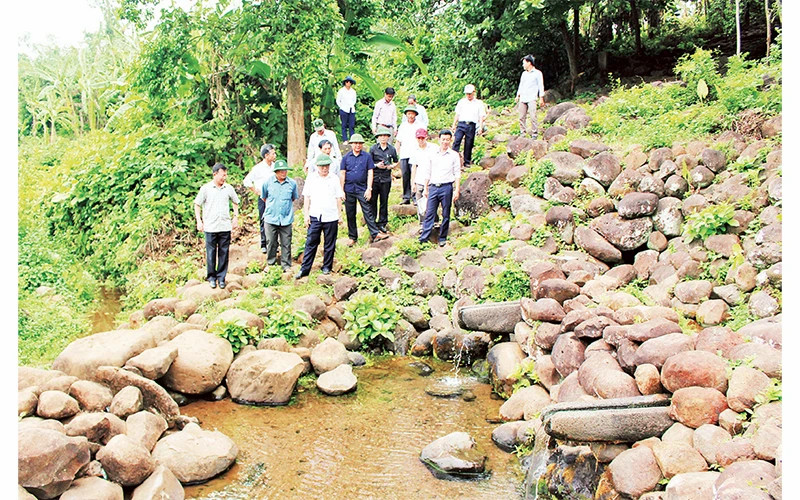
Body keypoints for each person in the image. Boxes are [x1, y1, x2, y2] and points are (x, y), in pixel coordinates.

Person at [296, 154, 344, 279]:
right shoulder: (311, 178)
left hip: (331, 215)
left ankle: (327, 266)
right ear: (317, 166)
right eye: (322, 166)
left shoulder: (333, 178)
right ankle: (304, 269)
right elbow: (307, 197)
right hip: (315, 215)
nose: (324, 169)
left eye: (327, 166)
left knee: (330, 243)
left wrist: (339, 214)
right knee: (311, 243)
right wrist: (306, 214)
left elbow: (338, 197)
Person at [194, 163, 240, 289]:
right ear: (215, 174)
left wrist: (235, 217)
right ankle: (211, 277)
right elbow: (197, 204)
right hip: (210, 226)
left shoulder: (228, 188)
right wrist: (199, 221)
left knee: (224, 253)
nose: (224, 178)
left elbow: (236, 202)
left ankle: (221, 278)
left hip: (225, 226)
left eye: (225, 175)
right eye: (222, 175)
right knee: (211, 253)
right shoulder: (206, 188)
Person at [339, 133, 390, 246]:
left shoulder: (366, 156)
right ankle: (352, 237)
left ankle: (375, 233)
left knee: (368, 210)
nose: (357, 145)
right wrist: (341, 190)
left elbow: (370, 172)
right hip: (349, 188)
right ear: (351, 144)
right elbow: (342, 173)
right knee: (350, 213)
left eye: (359, 143)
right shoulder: (346, 157)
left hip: (362, 188)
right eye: (355, 143)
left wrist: (369, 188)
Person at [419, 130, 460, 247]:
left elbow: (457, 173)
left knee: (446, 213)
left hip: (446, 187)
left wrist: (456, 189)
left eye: (447, 139)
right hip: (433, 186)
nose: (445, 142)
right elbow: (427, 172)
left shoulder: (454, 155)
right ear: (439, 139)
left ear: (450, 140)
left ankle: (442, 237)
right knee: (430, 212)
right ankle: (424, 238)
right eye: (443, 139)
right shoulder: (432, 154)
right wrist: (426, 188)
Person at [260, 160, 299, 272]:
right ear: (276, 171)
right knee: (271, 242)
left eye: (285, 170)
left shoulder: (292, 183)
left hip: (286, 218)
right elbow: (264, 197)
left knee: (286, 242)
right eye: (281, 171)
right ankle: (271, 264)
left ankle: (286, 265)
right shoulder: (267, 183)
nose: (283, 173)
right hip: (271, 217)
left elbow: (293, 198)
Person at [243, 143, 277, 253]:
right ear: (266, 155)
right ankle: (264, 243)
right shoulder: (258, 168)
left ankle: (274, 244)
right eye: (273, 153)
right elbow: (246, 181)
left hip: (275, 197)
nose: (275, 155)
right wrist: (255, 190)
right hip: (263, 197)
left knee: (276, 219)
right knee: (263, 219)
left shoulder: (275, 166)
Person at [368, 126, 398, 233]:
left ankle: (382, 223)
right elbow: (369, 163)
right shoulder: (373, 149)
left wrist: (391, 166)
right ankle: (372, 223)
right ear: (378, 137)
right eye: (381, 136)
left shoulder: (392, 149)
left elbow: (395, 161)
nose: (383, 138)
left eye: (385, 136)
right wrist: (377, 165)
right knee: (373, 201)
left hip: (386, 178)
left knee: (384, 201)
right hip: (375, 178)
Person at [451, 84, 487, 167]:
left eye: (470, 94)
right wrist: (454, 124)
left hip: (471, 124)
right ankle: (453, 159)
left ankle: (467, 161)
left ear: (474, 92)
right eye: (467, 94)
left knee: (469, 143)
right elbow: (457, 114)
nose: (469, 96)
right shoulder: (462, 102)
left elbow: (481, 115)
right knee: (457, 140)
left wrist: (480, 127)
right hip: (461, 123)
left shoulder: (479, 103)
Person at [410, 128, 438, 226]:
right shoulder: (414, 150)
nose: (421, 140)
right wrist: (412, 183)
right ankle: (422, 223)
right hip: (419, 179)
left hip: (432, 179)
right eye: (419, 138)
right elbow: (414, 167)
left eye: (422, 138)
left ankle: (435, 220)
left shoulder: (434, 148)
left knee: (432, 201)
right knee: (420, 202)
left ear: (426, 137)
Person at [395, 105, 421, 204]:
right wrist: (396, 153)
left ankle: (415, 196)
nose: (410, 116)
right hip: (404, 153)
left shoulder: (419, 125)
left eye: (412, 113)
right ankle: (406, 196)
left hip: (415, 153)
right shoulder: (403, 126)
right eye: (409, 113)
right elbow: (398, 141)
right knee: (405, 175)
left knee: (415, 176)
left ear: (415, 114)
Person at [516, 55, 545, 139]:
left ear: (529, 63)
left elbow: (540, 86)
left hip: (532, 97)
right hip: (523, 98)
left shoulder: (538, 73)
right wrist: (518, 95)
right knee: (521, 117)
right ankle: (523, 133)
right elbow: (521, 85)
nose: (523, 65)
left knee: (533, 116)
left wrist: (541, 98)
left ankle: (534, 134)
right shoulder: (524, 74)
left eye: (524, 63)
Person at [336, 76, 357, 143]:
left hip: (351, 109)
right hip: (344, 109)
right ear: (345, 82)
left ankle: (352, 139)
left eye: (350, 82)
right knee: (344, 125)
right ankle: (345, 139)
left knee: (351, 125)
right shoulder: (341, 91)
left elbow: (354, 100)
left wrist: (351, 105)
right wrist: (342, 107)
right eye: (347, 82)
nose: (348, 83)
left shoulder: (353, 91)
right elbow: (338, 100)